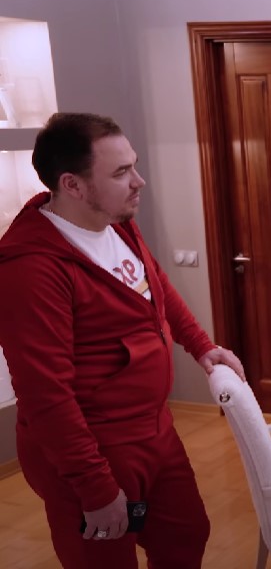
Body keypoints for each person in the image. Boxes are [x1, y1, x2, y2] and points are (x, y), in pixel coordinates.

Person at [0, 112, 245, 569]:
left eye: (133, 166)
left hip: (153, 430)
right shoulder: (32, 269)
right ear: (72, 185)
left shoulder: (114, 220)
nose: (139, 181)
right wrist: (94, 488)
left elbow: (155, 284)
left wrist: (200, 345)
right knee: (106, 560)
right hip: (96, 448)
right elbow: (45, 395)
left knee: (185, 534)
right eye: (121, 172)